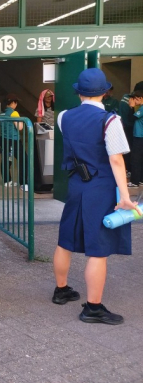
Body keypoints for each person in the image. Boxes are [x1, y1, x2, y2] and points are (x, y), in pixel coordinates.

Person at [52, 68, 136, 325]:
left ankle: (61, 290)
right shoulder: (110, 120)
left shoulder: (64, 117)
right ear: (104, 92)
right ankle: (93, 307)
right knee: (98, 249)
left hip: (76, 184)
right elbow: (116, 159)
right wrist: (125, 197)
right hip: (99, 187)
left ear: (78, 93)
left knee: (66, 239)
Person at [1, 93, 28, 192]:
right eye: (15, 102)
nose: (16, 105)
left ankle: (7, 181)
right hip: (14, 140)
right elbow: (20, 127)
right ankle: (24, 183)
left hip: (4, 139)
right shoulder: (14, 113)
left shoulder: (2, 113)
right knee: (23, 160)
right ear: (12, 103)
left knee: (7, 159)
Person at [117, 81, 143, 173]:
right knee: (133, 154)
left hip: (127, 128)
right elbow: (132, 118)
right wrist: (133, 107)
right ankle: (131, 172)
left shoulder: (125, 97)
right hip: (131, 129)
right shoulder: (132, 100)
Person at [127, 91, 143, 188]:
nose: (133, 101)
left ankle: (135, 182)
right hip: (140, 136)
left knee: (136, 159)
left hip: (140, 137)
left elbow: (130, 118)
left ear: (140, 98)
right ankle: (140, 180)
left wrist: (131, 107)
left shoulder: (141, 109)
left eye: (135, 99)